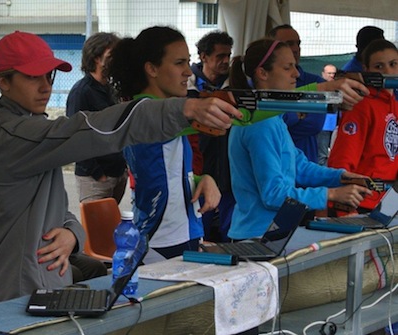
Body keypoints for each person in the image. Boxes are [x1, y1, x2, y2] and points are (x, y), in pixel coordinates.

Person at [0, 31, 241, 307]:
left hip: (38, 289)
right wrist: (183, 109)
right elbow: (88, 129)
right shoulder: (17, 136)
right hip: (15, 298)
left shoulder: (26, 131)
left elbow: (58, 214)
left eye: (49, 76)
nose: (45, 87)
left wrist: (72, 235)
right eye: (32, 76)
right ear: (3, 82)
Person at [227, 38, 372, 241]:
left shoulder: (272, 118)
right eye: (288, 68)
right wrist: (331, 194)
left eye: (295, 66)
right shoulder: (261, 124)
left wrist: (341, 177)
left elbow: (300, 166)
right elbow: (274, 195)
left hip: (271, 232)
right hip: (258, 236)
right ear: (263, 73)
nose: (296, 74)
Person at [109, 26, 221, 261]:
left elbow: (169, 173)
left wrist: (204, 179)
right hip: (162, 241)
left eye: (188, 62)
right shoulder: (146, 114)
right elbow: (235, 118)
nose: (188, 72)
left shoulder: (166, 114)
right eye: (179, 63)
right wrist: (308, 95)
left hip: (182, 233)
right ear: (151, 69)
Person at [328, 39, 398, 213]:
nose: (387, 71)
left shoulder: (395, 105)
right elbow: (342, 161)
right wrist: (344, 209)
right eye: (379, 66)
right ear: (366, 70)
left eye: (393, 64)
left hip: (387, 206)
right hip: (360, 206)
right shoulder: (361, 105)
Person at [66, 32, 128, 204]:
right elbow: (74, 136)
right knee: (94, 230)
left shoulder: (113, 88)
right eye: (110, 56)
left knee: (110, 228)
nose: (116, 60)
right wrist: (96, 173)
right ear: (96, 58)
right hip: (95, 179)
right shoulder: (81, 92)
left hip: (118, 173)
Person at [187, 30, 234, 242]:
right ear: (203, 56)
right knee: (200, 230)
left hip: (229, 169)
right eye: (220, 56)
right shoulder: (187, 86)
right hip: (199, 168)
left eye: (228, 56)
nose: (226, 61)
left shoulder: (236, 86)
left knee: (228, 230)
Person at [268, 25, 326, 163]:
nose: (295, 48)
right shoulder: (256, 86)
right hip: (271, 163)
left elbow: (314, 125)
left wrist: (276, 126)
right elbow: (261, 125)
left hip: (305, 166)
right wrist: (297, 115)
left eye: (298, 43)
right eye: (289, 44)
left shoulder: (316, 82)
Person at [317, 63, 339, 166]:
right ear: (323, 74)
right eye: (329, 73)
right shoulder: (319, 88)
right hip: (323, 127)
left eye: (334, 73)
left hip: (336, 127)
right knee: (322, 155)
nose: (332, 75)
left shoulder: (340, 88)